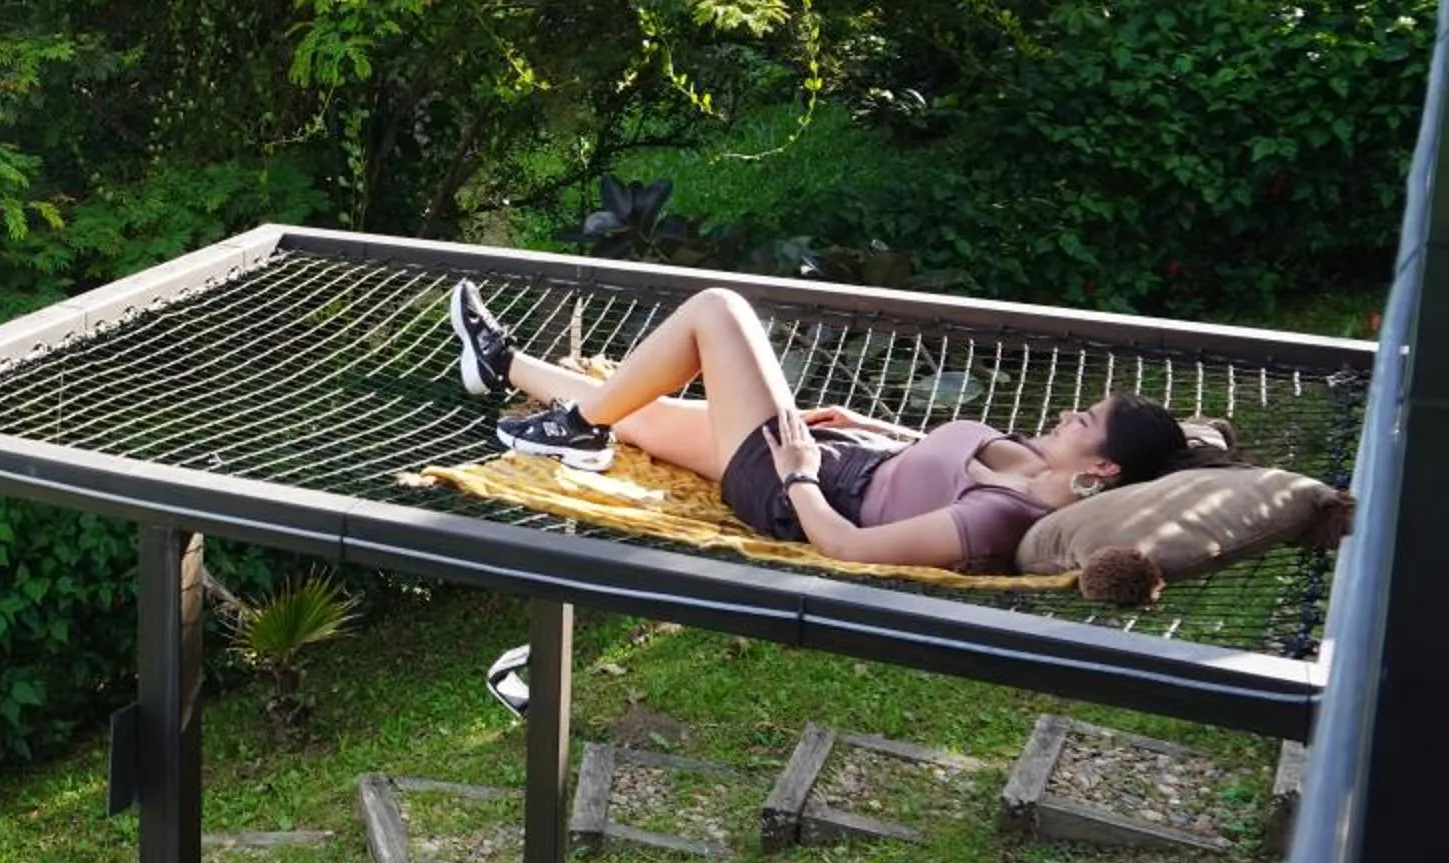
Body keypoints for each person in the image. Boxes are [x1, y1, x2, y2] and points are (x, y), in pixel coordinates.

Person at [447, 280, 1190, 574]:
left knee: (719, 311)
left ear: (1101, 472)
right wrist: (866, 425)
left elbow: (851, 547)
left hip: (793, 491)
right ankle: (503, 363)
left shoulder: (1000, 518)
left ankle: (573, 425)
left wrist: (800, 471)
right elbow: (928, 459)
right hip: (838, 452)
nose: (1067, 415)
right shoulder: (1030, 461)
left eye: (1083, 421)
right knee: (636, 406)